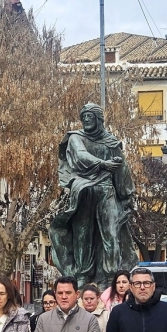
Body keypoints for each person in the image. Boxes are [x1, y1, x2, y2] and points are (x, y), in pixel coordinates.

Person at [49, 103, 138, 288]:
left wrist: (127, 193)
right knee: (83, 236)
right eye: (84, 117)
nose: (86, 120)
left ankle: (111, 277)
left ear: (98, 119)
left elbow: (122, 167)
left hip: (106, 189)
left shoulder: (111, 141)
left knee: (111, 234)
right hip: (83, 190)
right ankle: (82, 278)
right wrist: (104, 163)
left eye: (90, 116)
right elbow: (81, 156)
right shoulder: (75, 137)